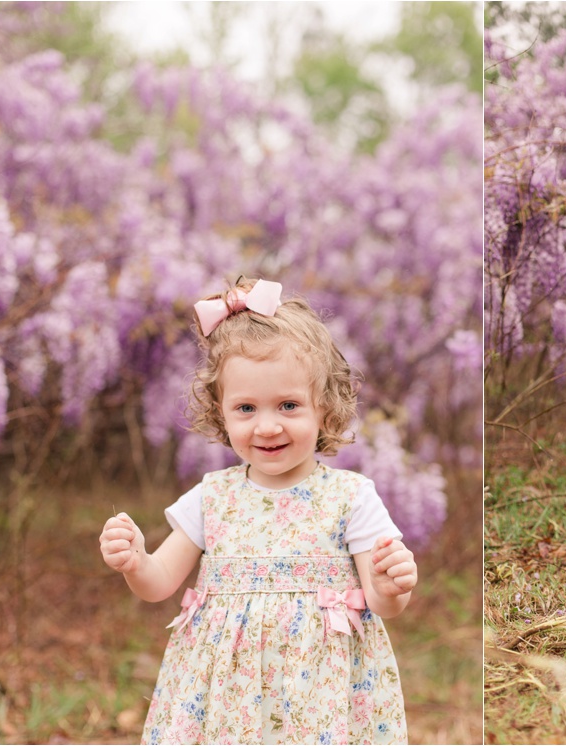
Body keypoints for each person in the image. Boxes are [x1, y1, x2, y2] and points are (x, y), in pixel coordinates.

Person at [99, 278, 417, 744]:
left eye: (288, 405)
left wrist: (390, 586)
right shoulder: (211, 496)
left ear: (324, 408)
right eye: (246, 408)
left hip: (320, 698)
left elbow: (383, 603)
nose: (267, 426)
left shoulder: (351, 497)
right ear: (221, 413)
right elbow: (158, 583)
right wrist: (135, 562)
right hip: (227, 697)